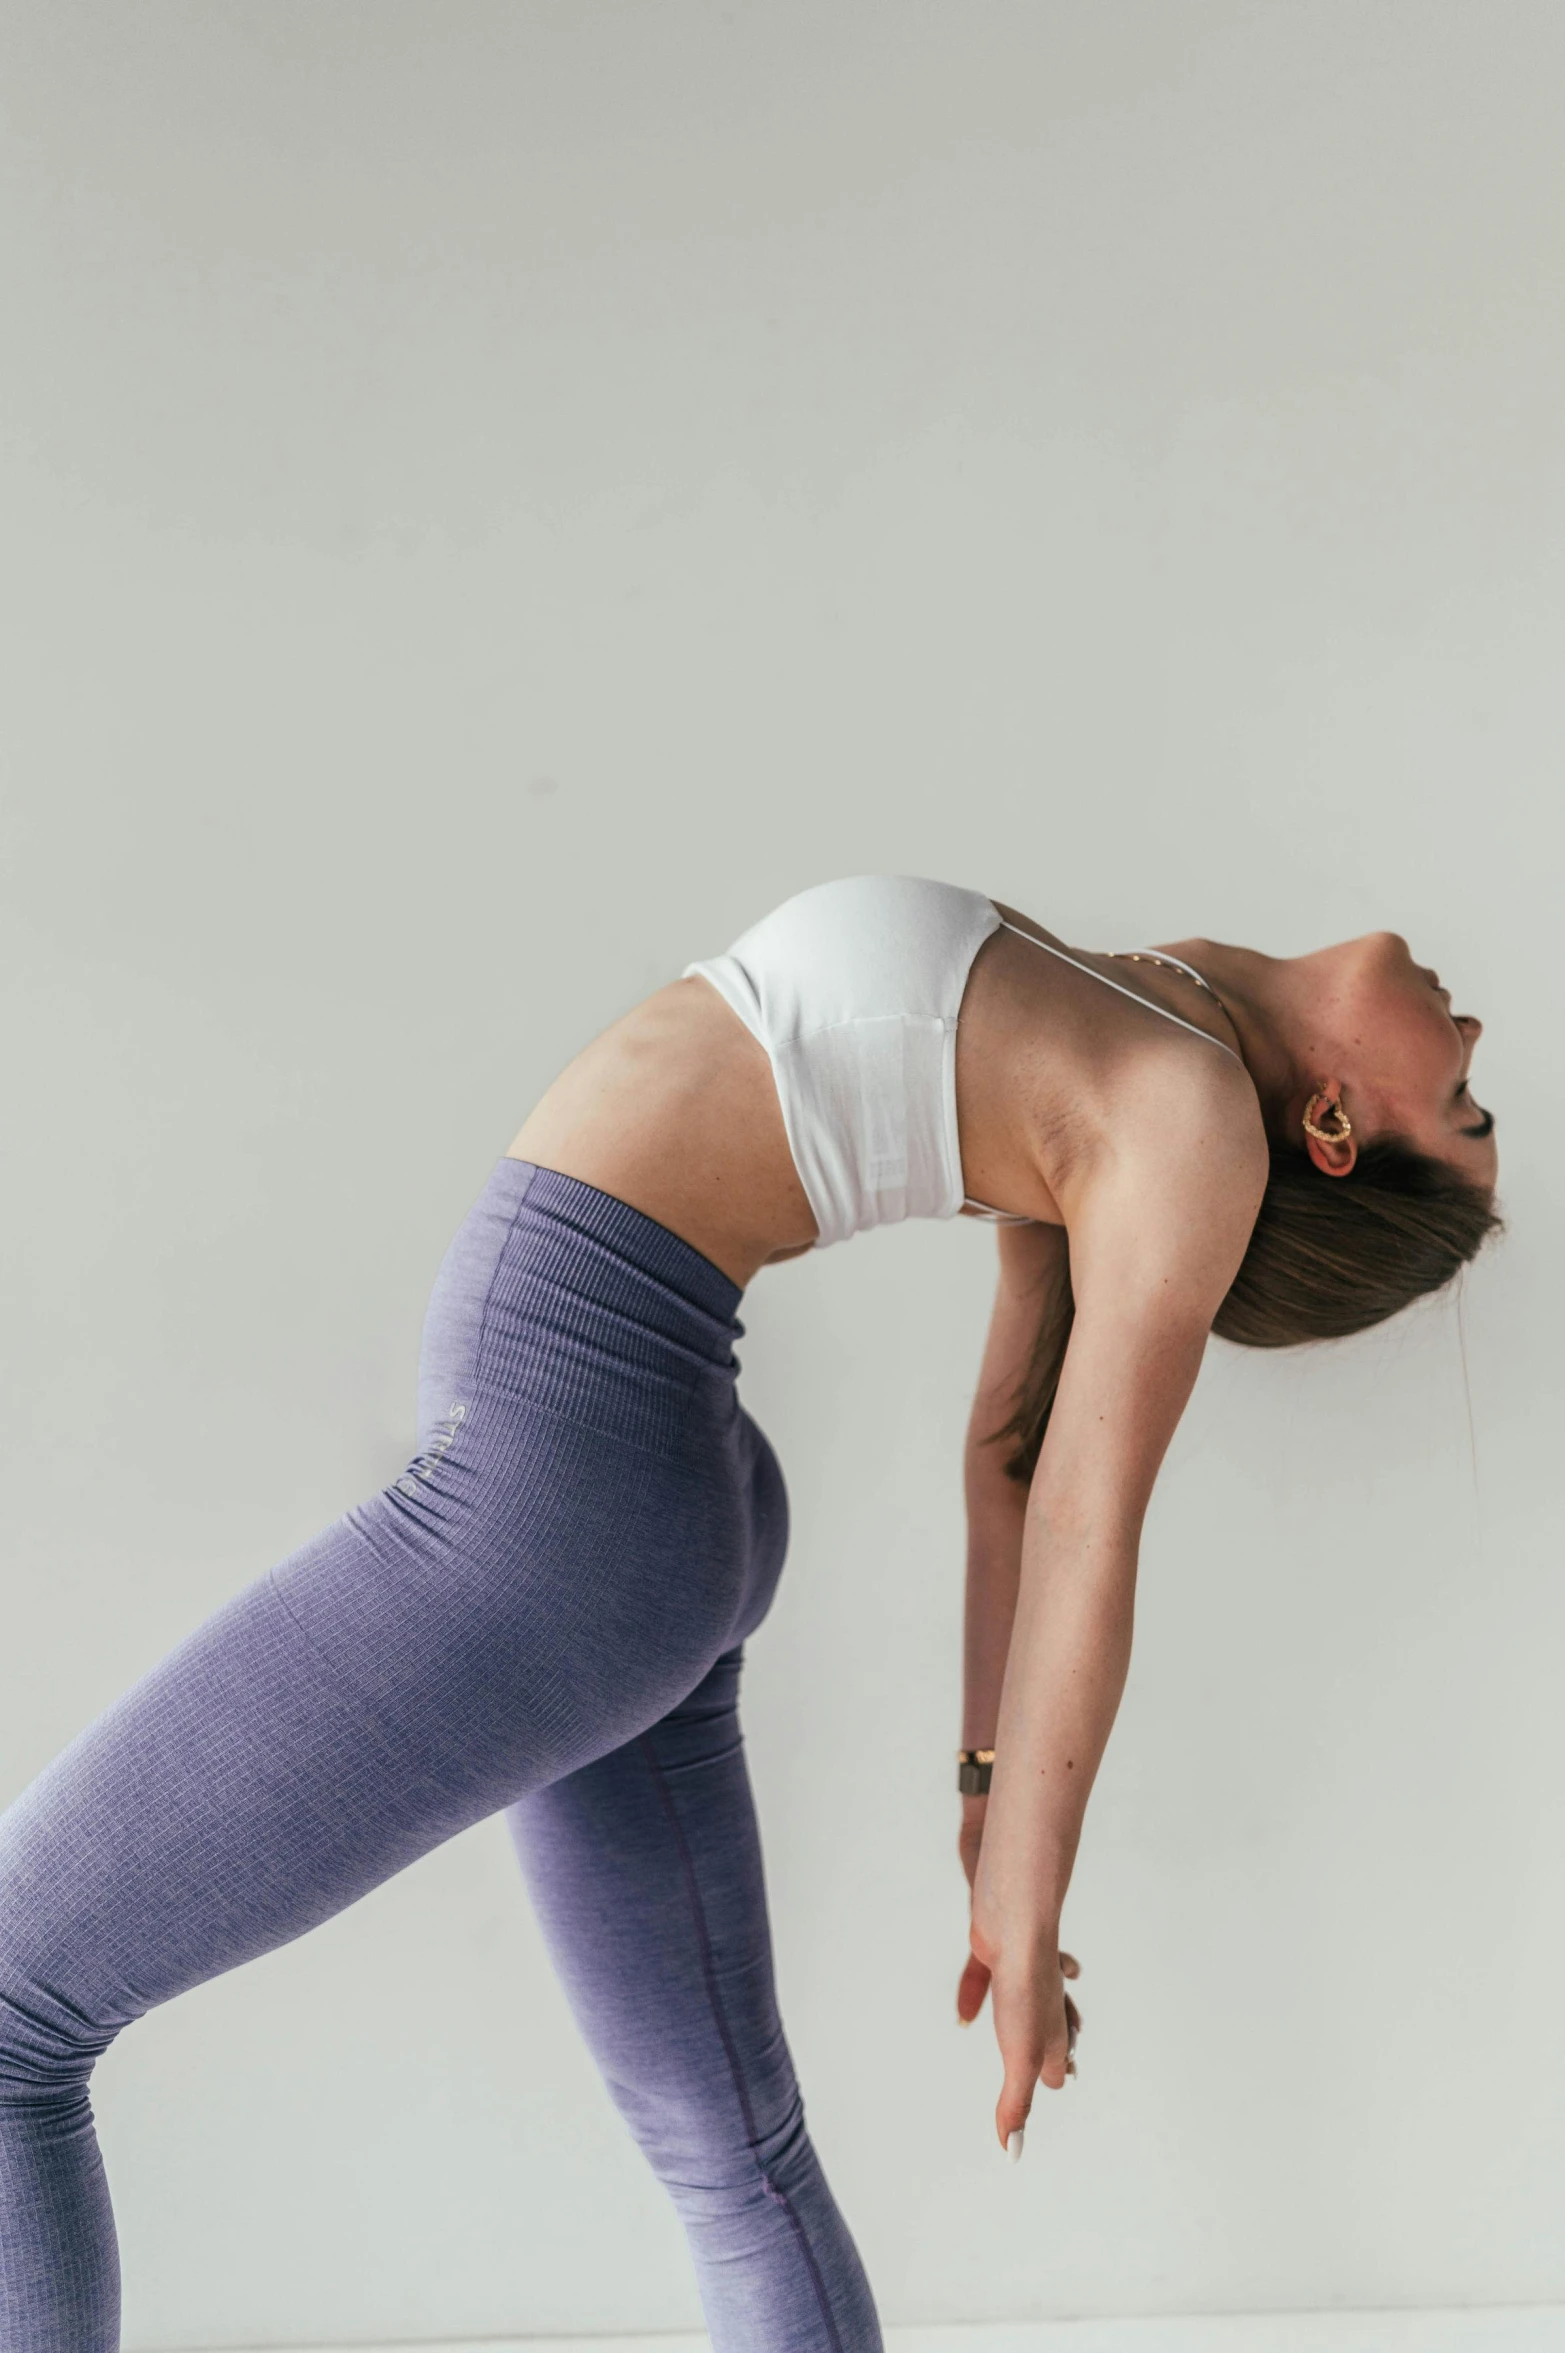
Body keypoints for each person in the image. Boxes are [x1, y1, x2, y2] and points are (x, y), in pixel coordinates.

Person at [0, 874, 1501, 2353]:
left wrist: (1027, 1902)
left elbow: (1084, 1528)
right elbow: (1010, 1461)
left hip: (565, 1508)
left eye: (1471, 1110)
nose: (1477, 1025)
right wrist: (981, 1791)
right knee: (728, 2149)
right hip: (623, 1489)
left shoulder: (1186, 1121)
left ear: (1340, 1129)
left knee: (16, 2008)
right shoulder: (1156, 1025)